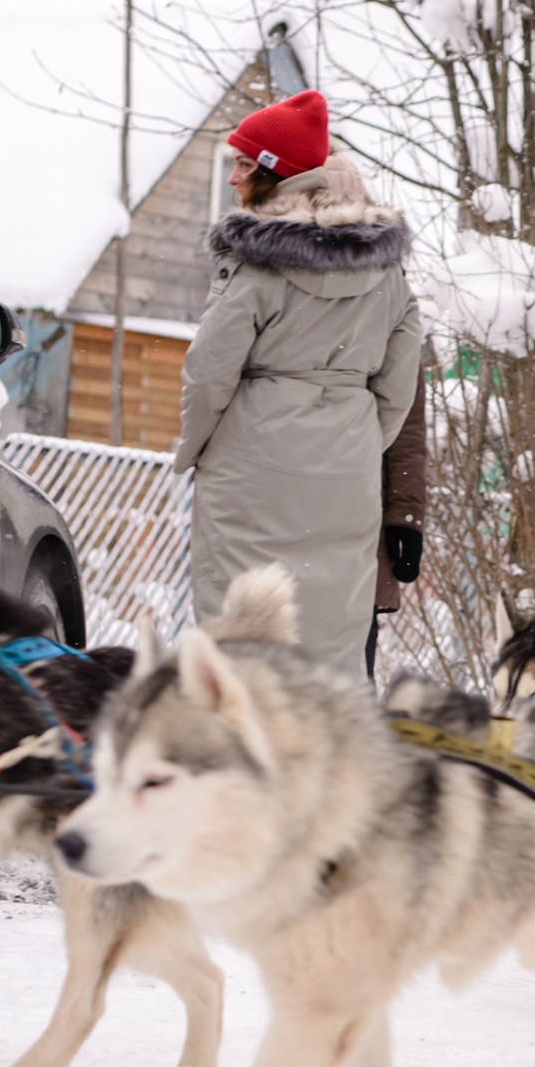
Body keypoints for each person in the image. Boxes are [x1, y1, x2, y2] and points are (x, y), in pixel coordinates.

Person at [172, 90, 423, 679]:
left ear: (273, 172)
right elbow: (399, 383)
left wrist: (196, 447)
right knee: (333, 632)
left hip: (252, 463)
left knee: (241, 624)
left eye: (242, 163)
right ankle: (328, 754)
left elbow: (209, 372)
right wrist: (360, 440)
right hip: (348, 465)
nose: (233, 178)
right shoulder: (387, 272)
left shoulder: (255, 264)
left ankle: (239, 744)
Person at [367, 363, 428, 676]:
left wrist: (406, 517)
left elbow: (408, 434)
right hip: (282, 523)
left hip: (360, 532)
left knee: (349, 687)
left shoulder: (390, 326)